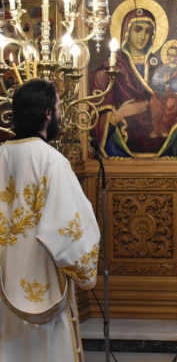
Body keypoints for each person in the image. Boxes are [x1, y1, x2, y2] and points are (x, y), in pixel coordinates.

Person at [0, 79, 100, 361]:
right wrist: (85, 271)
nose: (59, 113)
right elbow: (70, 231)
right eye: (57, 107)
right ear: (47, 113)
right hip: (41, 287)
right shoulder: (52, 161)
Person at [91, 8, 177, 157]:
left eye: (148, 31)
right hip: (120, 148)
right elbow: (94, 115)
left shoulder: (161, 66)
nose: (143, 36)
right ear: (126, 32)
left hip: (162, 146)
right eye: (138, 29)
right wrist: (117, 115)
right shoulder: (108, 70)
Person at [149, 45, 177, 138]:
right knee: (154, 103)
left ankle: (165, 128)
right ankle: (156, 129)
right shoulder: (162, 67)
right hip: (162, 93)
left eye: (173, 55)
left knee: (171, 105)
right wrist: (163, 82)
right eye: (169, 54)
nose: (171, 57)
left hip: (175, 95)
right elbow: (154, 81)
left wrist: (172, 84)